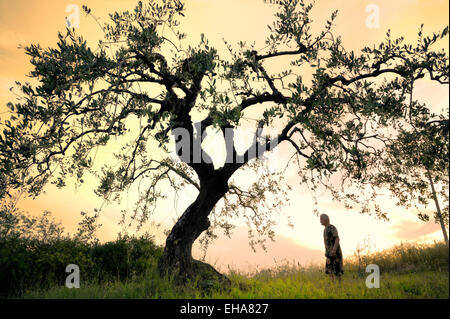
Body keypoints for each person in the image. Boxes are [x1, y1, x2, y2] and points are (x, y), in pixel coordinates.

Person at [320, 214, 344, 279]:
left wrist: (334, 250)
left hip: (335, 253)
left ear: (326, 219)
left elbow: (337, 239)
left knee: (337, 272)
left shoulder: (332, 228)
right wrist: (327, 254)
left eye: (321, 219)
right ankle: (333, 287)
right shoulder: (325, 230)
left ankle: (339, 287)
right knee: (330, 272)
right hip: (329, 254)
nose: (320, 221)